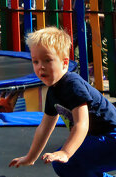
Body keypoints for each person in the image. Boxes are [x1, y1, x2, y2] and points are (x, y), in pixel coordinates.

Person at [9, 26, 116, 175]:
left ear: (65, 63)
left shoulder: (72, 84)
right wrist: (30, 157)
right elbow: (45, 127)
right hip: (101, 138)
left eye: (48, 60)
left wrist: (66, 152)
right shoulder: (53, 91)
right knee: (70, 165)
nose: (41, 67)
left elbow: (82, 123)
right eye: (36, 62)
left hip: (112, 136)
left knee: (67, 162)